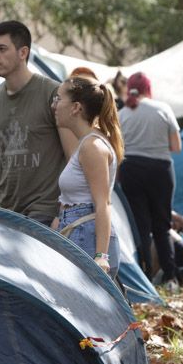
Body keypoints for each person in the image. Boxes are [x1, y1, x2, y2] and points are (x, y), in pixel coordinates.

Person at [0, 20, 74, 225]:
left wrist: (63, 212)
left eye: (2, 49)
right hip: (3, 211)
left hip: (44, 212)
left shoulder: (53, 93)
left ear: (23, 53)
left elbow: (73, 156)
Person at [51, 74, 124, 277]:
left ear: (76, 107)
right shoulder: (86, 143)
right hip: (78, 232)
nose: (54, 106)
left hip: (86, 237)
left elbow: (103, 204)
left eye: (58, 99)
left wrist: (101, 255)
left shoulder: (92, 146)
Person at [117, 72, 182, 287]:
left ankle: (143, 278)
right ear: (148, 88)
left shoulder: (121, 114)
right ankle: (170, 277)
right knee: (162, 225)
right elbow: (176, 147)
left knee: (140, 226)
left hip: (131, 169)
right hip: (160, 170)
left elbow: (117, 149)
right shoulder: (162, 109)